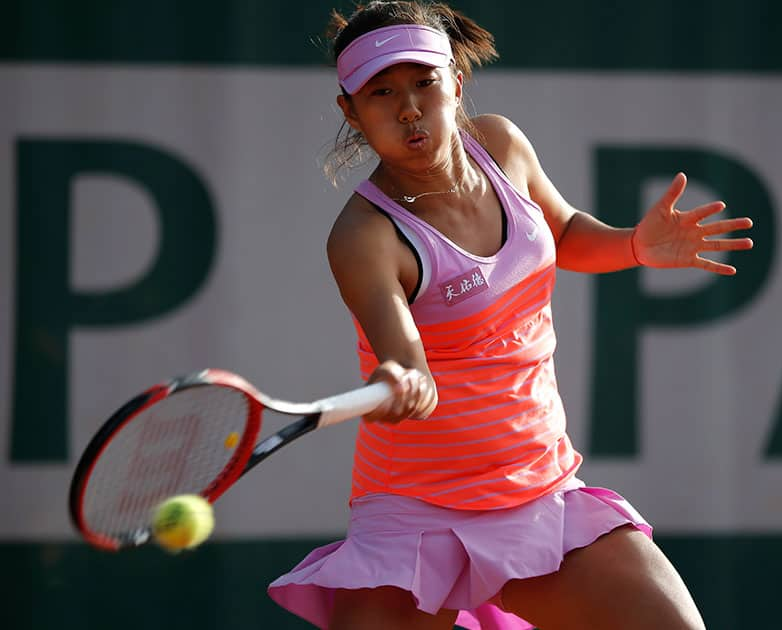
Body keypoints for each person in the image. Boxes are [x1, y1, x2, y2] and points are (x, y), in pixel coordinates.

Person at [268, 2, 753, 629]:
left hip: (541, 489)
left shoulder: (499, 143)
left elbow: (567, 231)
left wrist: (634, 243)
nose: (409, 108)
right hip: (416, 516)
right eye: (382, 92)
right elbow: (402, 354)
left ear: (456, 84)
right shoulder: (363, 237)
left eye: (425, 83)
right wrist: (404, 380)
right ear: (351, 111)